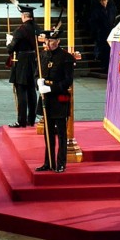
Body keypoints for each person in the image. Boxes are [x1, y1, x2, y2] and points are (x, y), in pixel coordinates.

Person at [36, 29, 74, 172]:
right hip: (47, 100)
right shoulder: (43, 55)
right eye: (48, 41)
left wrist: (51, 88)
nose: (49, 43)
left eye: (52, 41)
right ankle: (48, 162)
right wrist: (38, 83)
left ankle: (61, 163)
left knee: (62, 133)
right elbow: (37, 74)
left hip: (59, 98)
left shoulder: (66, 58)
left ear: (58, 41)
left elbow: (67, 81)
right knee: (48, 133)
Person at [6, 5, 39, 128]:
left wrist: (8, 43)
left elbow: (11, 48)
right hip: (33, 60)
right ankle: (32, 119)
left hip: (22, 62)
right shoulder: (36, 27)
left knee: (21, 91)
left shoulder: (20, 30)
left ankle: (22, 120)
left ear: (24, 16)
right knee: (32, 90)